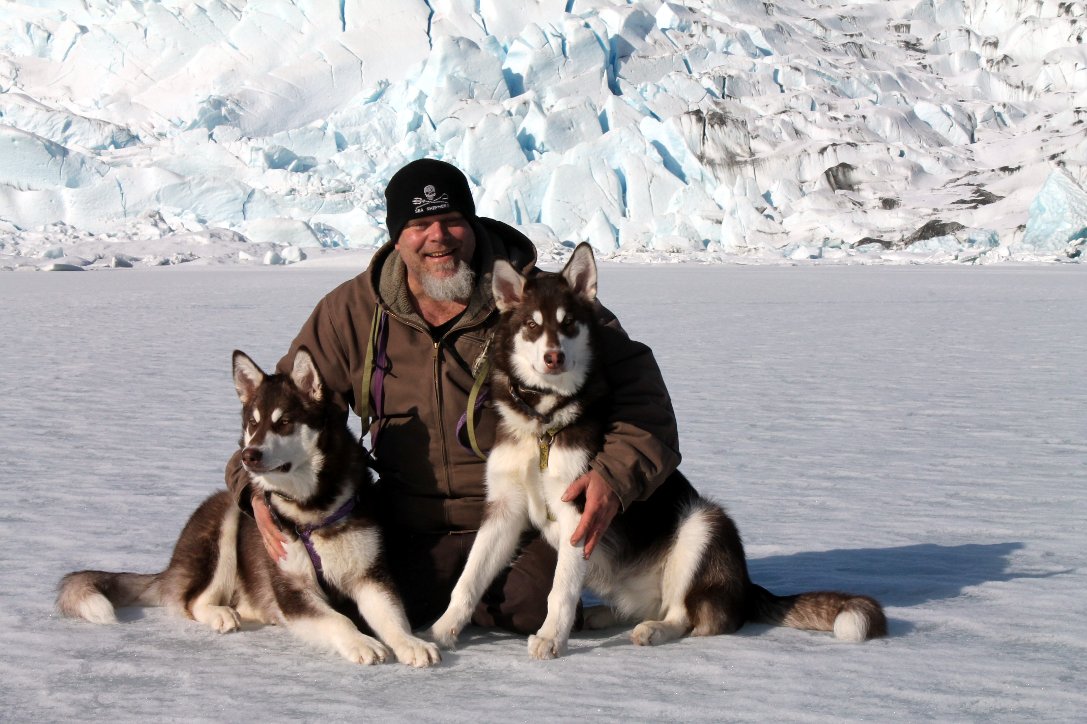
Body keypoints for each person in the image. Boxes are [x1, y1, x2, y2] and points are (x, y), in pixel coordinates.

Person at [226, 158, 681, 633]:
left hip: (518, 518)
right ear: (397, 237)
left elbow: (644, 398)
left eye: (451, 221)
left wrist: (613, 475)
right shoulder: (351, 312)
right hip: (405, 519)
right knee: (357, 606)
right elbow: (279, 407)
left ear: (472, 224)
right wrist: (251, 491)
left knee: (523, 610)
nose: (438, 235)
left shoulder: (541, 301)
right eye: (419, 224)